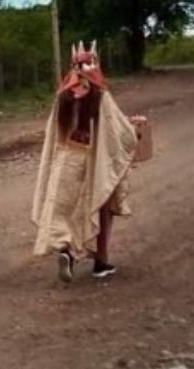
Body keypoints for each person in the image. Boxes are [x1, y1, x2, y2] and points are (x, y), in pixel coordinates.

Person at [31, 41, 146, 282]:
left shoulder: (63, 97)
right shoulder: (101, 96)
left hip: (66, 161)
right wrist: (135, 129)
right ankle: (100, 263)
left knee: (67, 211)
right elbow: (117, 130)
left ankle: (67, 252)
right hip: (94, 163)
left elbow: (54, 134)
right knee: (99, 207)